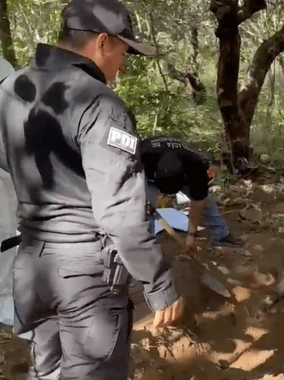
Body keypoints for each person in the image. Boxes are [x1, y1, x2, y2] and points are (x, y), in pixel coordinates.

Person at [0, 0, 184, 378]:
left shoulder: (12, 88)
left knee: (47, 370)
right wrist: (159, 283)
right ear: (102, 42)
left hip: (32, 266)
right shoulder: (99, 103)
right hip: (86, 278)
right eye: (124, 50)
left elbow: (7, 161)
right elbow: (119, 211)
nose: (124, 62)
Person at [140, 136, 243, 251]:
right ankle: (148, 246)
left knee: (207, 202)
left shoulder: (195, 167)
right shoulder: (140, 154)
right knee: (142, 209)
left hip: (183, 171)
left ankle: (221, 236)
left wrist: (191, 235)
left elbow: (198, 203)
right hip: (145, 175)